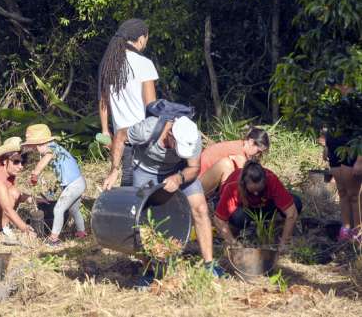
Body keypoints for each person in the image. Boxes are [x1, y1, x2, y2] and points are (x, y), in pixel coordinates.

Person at [121, 113, 224, 277]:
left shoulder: (192, 136)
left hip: (177, 171)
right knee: (138, 216)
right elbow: (120, 135)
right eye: (177, 146)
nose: (179, 151)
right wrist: (114, 169)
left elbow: (194, 168)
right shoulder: (148, 129)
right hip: (145, 170)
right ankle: (148, 270)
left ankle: (209, 264)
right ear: (170, 134)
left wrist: (179, 177)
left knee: (200, 208)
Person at [99, 18, 158, 188]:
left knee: (127, 177)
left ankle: (126, 210)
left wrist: (105, 131)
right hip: (141, 134)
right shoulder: (144, 64)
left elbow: (103, 100)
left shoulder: (109, 63)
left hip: (120, 137)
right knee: (143, 182)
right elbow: (151, 105)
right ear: (141, 38)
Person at [213, 160, 302, 250]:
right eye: (252, 191)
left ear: (265, 181)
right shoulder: (233, 187)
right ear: (244, 184)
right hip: (244, 210)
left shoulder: (271, 179)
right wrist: (232, 243)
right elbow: (218, 220)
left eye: (260, 190)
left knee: (296, 202)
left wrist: (284, 242)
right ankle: (237, 231)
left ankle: (281, 227)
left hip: (264, 206)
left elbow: (292, 212)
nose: (256, 194)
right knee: (239, 217)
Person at [22, 124, 87, 246]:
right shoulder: (56, 148)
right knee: (73, 210)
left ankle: (54, 239)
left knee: (58, 209)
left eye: (36, 147)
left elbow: (44, 161)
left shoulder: (52, 148)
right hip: (78, 182)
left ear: (42, 143)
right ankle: (81, 232)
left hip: (74, 184)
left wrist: (35, 174)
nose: (36, 151)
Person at [319, 78, 362, 241]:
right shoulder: (333, 101)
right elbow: (328, 127)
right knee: (342, 192)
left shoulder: (357, 101)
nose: (337, 87)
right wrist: (326, 146)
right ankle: (346, 228)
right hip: (335, 147)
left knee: (354, 194)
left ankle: (358, 231)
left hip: (352, 148)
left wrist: (360, 158)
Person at [199, 128, 270, 198]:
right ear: (251, 142)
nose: (258, 155)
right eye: (258, 151)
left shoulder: (240, 146)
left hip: (203, 184)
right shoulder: (239, 153)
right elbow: (246, 179)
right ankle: (222, 200)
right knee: (227, 165)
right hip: (197, 188)